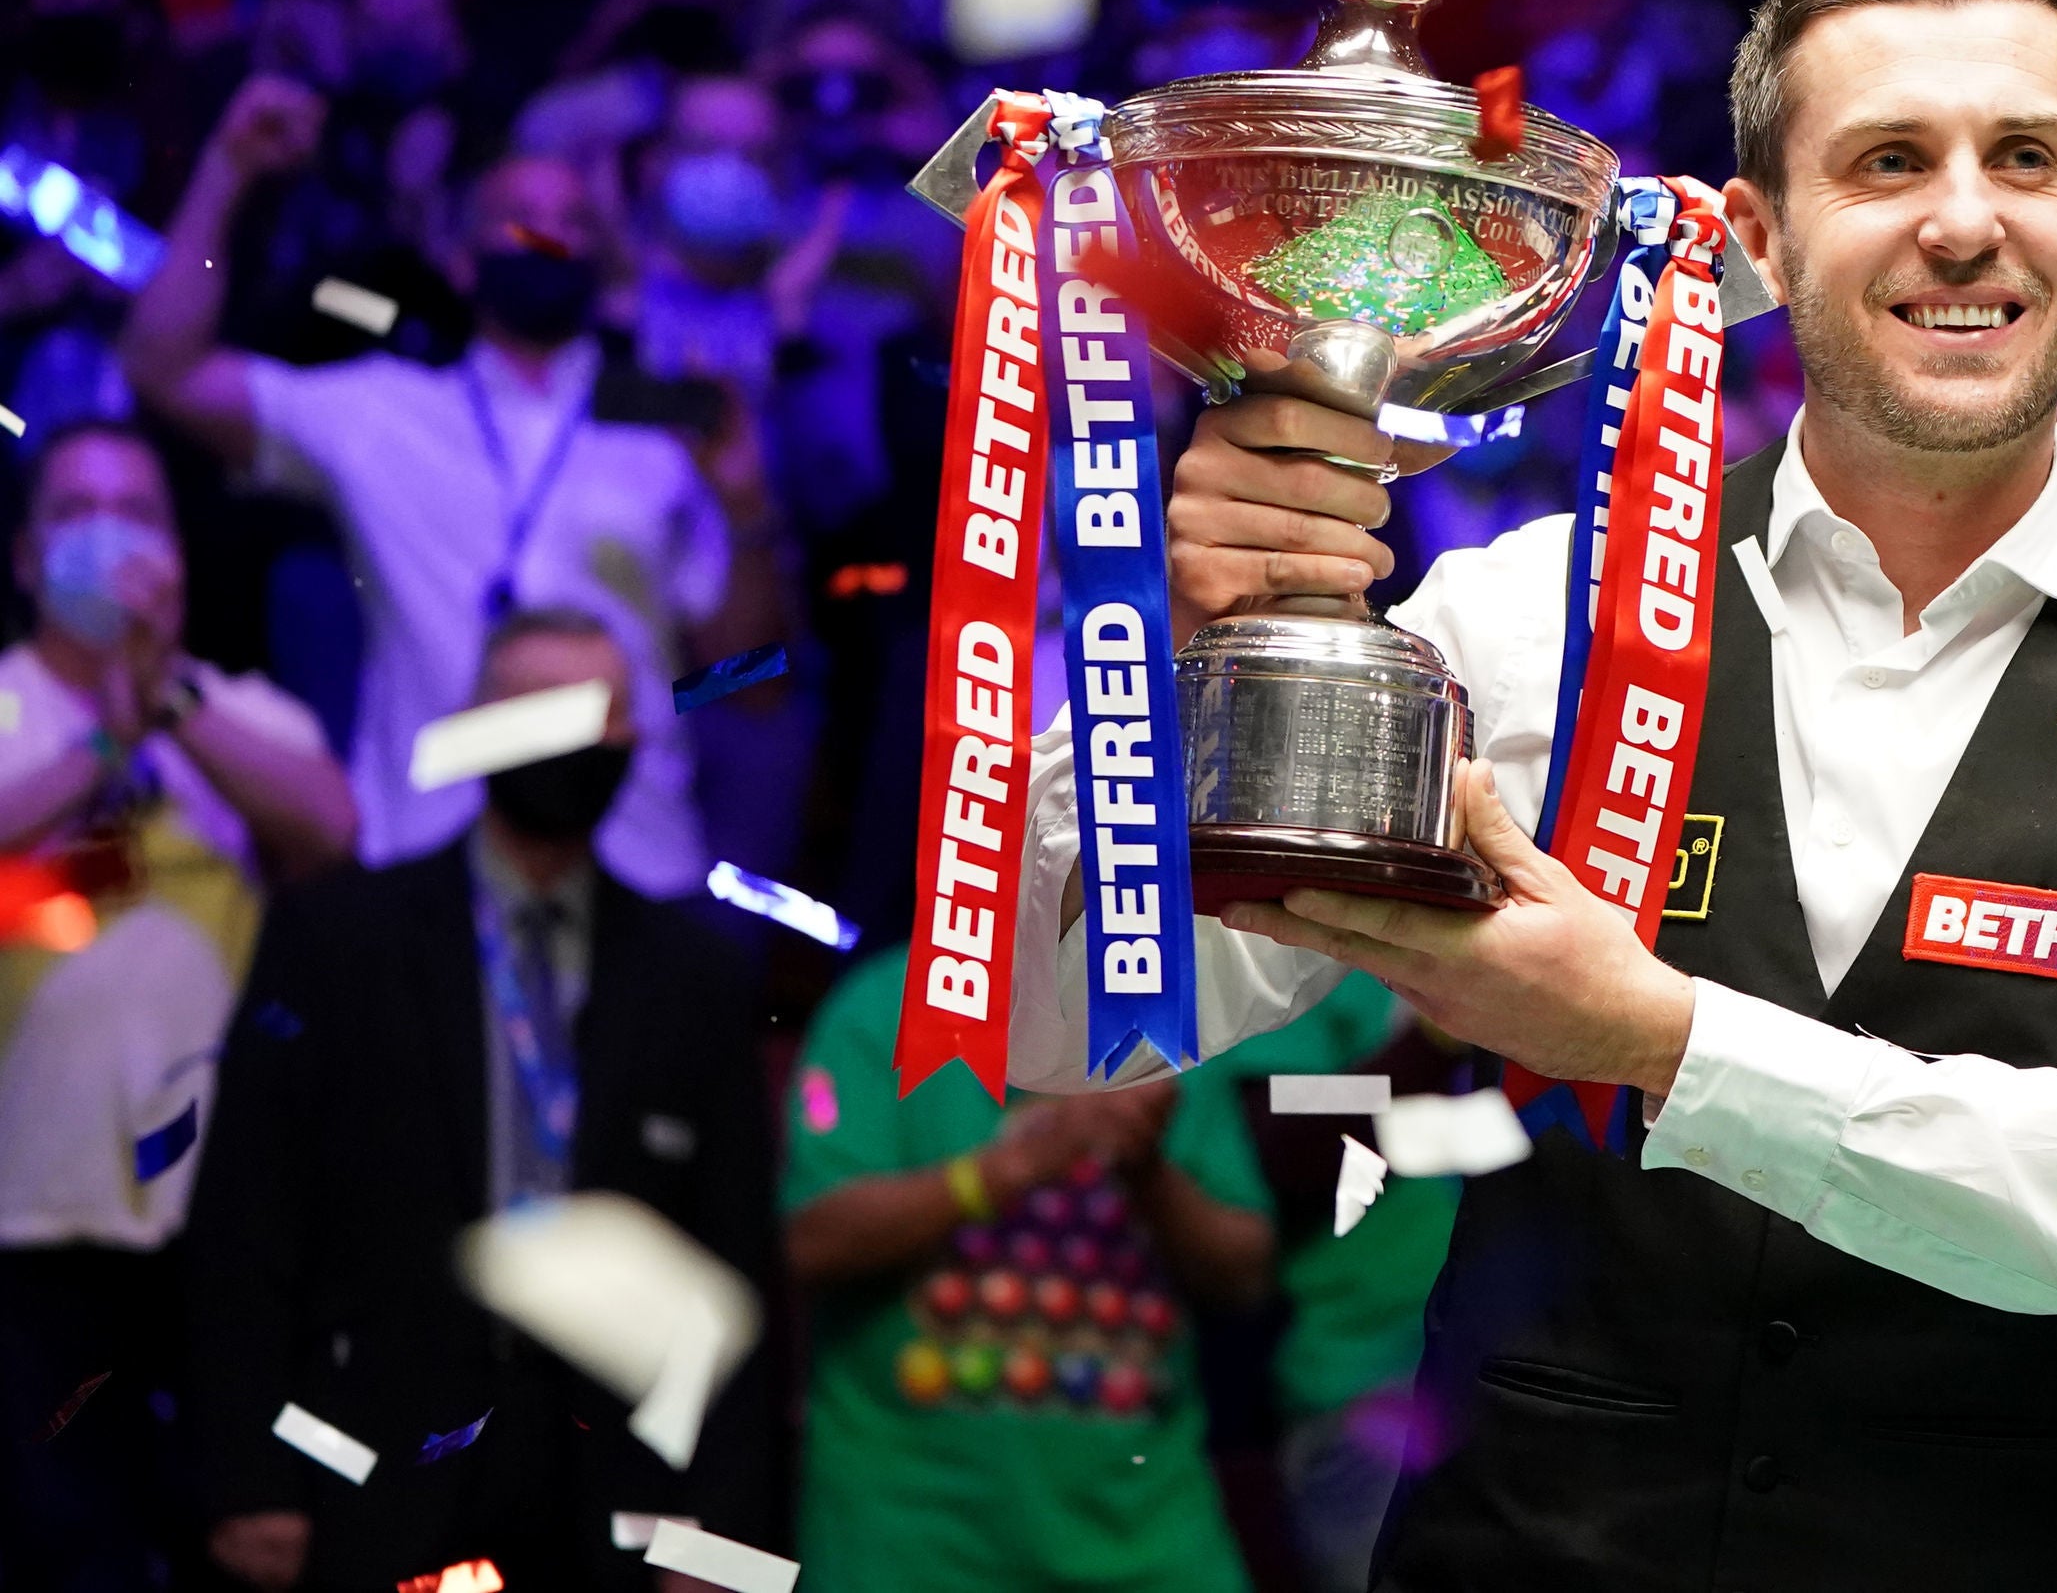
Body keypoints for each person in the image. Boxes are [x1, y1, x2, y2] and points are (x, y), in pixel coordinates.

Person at [1011, 0, 2057, 1589]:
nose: (1966, 222)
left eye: (2024, 159)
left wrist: (1666, 1038)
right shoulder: (1537, 615)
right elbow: (1071, 1022)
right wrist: (1161, 661)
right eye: (1888, 161)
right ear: (1755, 234)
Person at [184, 610, 778, 1593]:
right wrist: (250, 1478)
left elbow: (734, 1266)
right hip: (377, 1466)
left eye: (604, 719)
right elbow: (246, 1227)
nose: (575, 744)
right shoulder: (338, 943)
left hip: (613, 1485)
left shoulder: (694, 978)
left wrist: (722, 1535)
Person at [120, 77, 790, 895]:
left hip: (634, 860)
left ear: (601, 257)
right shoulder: (380, 412)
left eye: (573, 223)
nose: (548, 238)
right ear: (463, 260)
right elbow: (166, 366)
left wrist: (749, 511)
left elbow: (753, 680)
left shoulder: (663, 429)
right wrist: (227, 168)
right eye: (522, 220)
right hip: (425, 855)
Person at [0, 421, 355, 1593]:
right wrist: (112, 731)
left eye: (139, 513)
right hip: (31, 1227)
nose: (111, 538)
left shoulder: (248, 716)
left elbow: (328, 829)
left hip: (223, 1228)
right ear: (24, 556)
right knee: (62, 1555)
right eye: (76, 512)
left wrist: (171, 700)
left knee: (231, 1550)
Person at [781, 944, 1269, 1593]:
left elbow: (1245, 1275)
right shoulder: (881, 1007)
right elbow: (813, 1241)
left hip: (1149, 1540)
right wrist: (1013, 1166)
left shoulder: (1171, 1014)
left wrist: (1147, 1170)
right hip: (913, 1548)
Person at [1174, 978, 1474, 1593]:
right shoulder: (1293, 961)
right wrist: (1442, 1036)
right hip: (1377, 1390)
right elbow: (1282, 1133)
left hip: (1519, 1366)